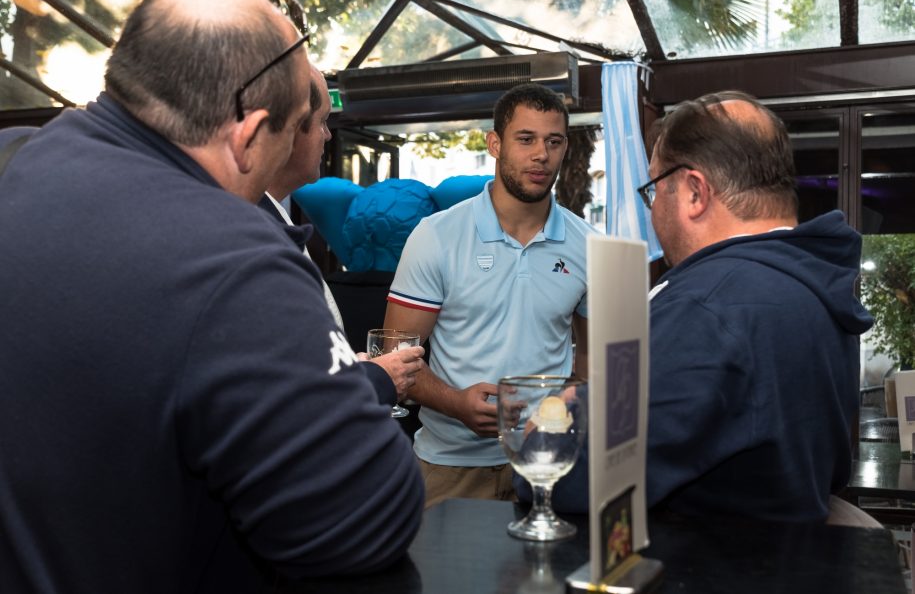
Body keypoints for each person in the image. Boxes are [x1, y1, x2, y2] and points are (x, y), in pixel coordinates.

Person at [0, 0, 423, 593]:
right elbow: (367, 519)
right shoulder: (234, 260)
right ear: (248, 136)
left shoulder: (12, 159)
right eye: (289, 135)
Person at [524, 90, 873, 523]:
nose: (652, 212)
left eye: (654, 190)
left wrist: (560, 414)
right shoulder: (812, 284)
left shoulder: (707, 308)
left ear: (693, 192)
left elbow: (566, 476)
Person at [384, 83, 598, 506]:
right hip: (450, 467)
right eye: (526, 139)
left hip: (548, 465)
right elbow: (392, 356)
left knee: (544, 574)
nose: (541, 154)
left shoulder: (589, 243)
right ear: (495, 144)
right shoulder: (437, 236)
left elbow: (592, 358)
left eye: (553, 142)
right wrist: (456, 403)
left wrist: (566, 411)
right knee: (443, 575)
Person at [258, 65, 425, 406]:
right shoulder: (257, 233)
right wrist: (373, 379)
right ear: (291, 128)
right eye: (321, 122)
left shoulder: (273, 220)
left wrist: (352, 369)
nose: (329, 136)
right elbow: (280, 383)